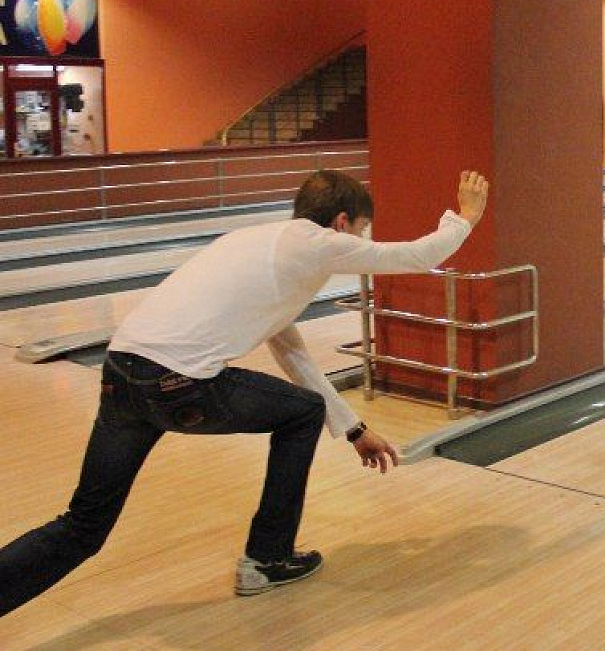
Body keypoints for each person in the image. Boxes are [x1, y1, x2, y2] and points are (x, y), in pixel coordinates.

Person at [0, 169, 489, 615]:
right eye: (360, 231)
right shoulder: (317, 243)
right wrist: (464, 218)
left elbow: (292, 353)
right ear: (341, 222)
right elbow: (416, 255)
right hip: (179, 382)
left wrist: (354, 429)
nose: (359, 242)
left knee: (84, 525)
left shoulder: (258, 245)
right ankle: (267, 559)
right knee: (301, 413)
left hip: (120, 372)